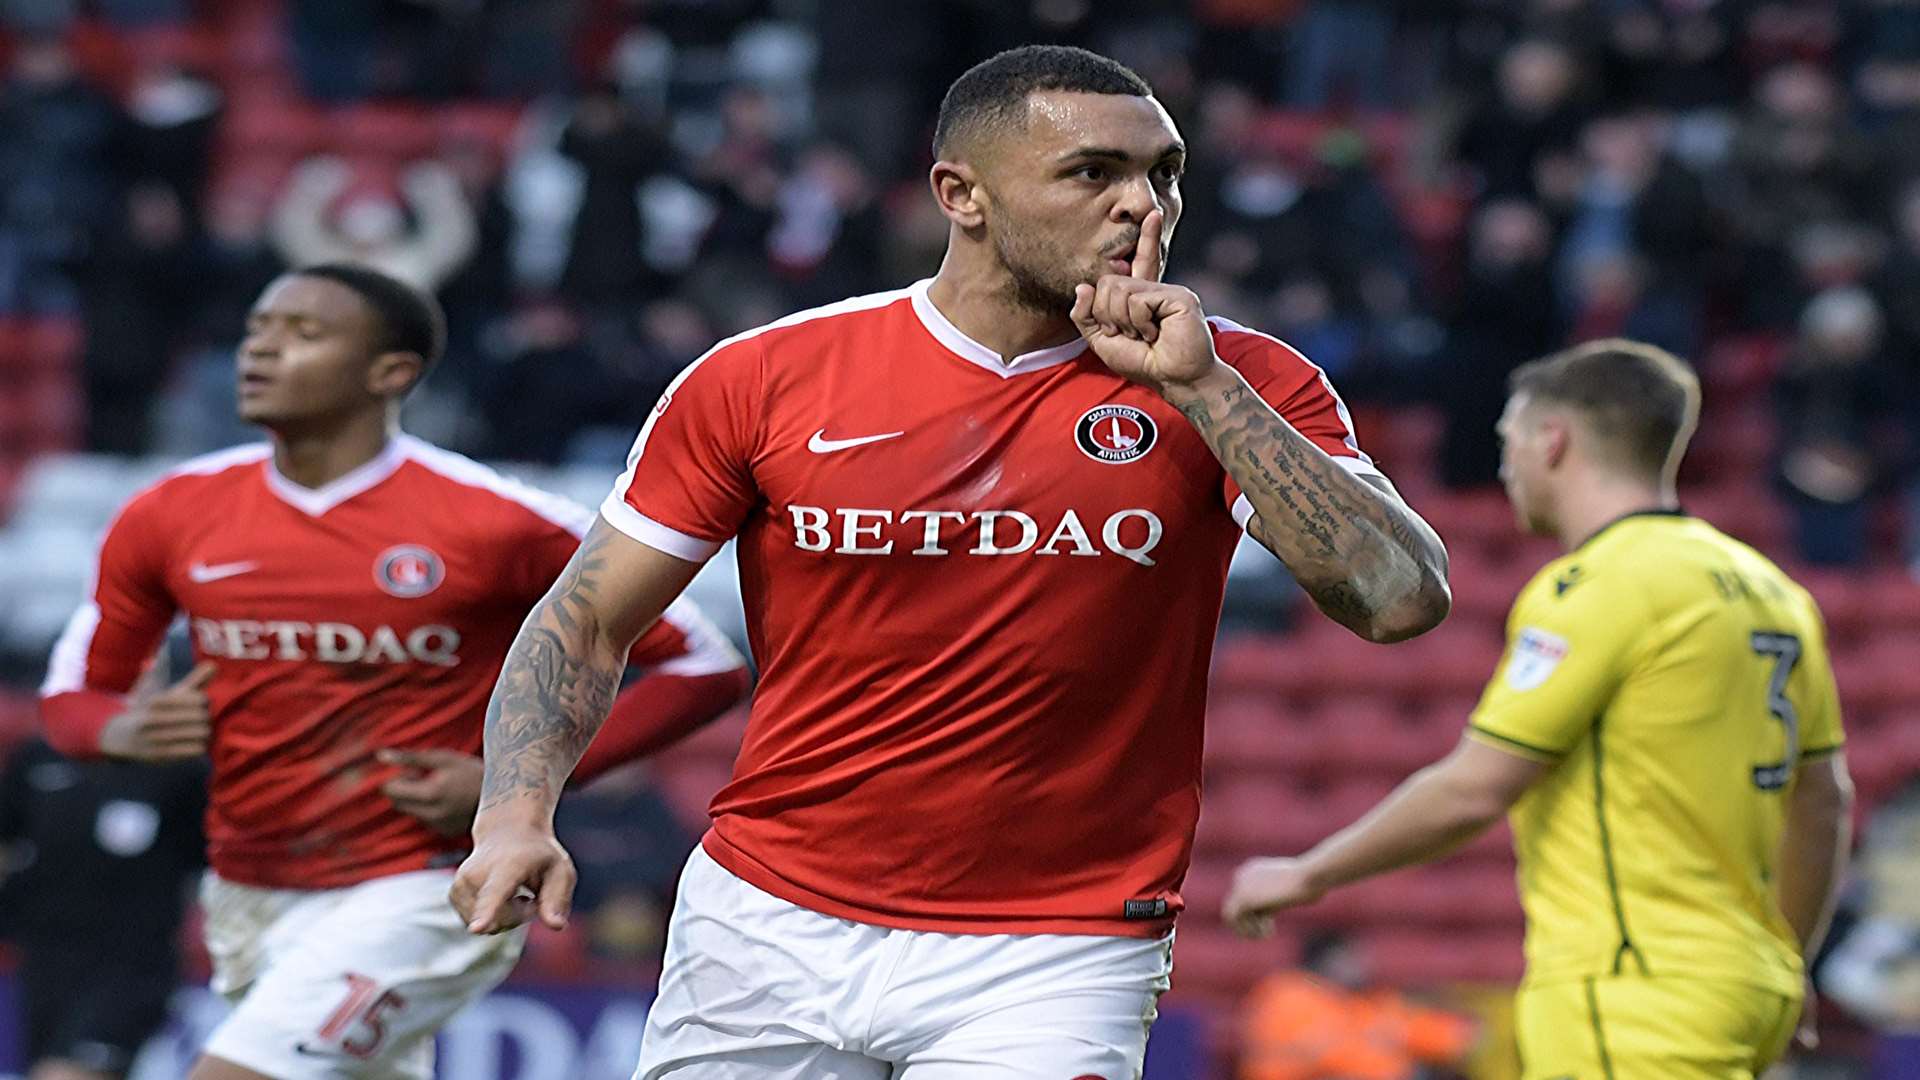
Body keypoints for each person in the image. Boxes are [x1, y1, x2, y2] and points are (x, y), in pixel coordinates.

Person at [452, 44, 1451, 1079]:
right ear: (960, 194)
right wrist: (514, 815)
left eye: (1164, 173)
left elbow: (1401, 601)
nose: (1142, 206)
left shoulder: (1237, 377)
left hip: (1057, 946)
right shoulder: (767, 377)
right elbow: (587, 619)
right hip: (766, 921)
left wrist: (1207, 395)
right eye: (1093, 172)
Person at [37, 262, 749, 1080]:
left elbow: (702, 666)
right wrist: (114, 729)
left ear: (392, 372)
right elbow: (73, 696)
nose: (260, 352)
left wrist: (512, 783)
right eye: (259, 331)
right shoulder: (171, 511)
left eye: (304, 334)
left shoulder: (495, 522)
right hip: (246, 887)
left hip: (425, 884)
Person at [1223, 339, 1855, 1079]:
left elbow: (1475, 787)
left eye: (1509, 440)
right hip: (1749, 980)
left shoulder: (1597, 586)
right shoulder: (1771, 590)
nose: (1504, 465)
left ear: (1553, 441)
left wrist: (1305, 874)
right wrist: (1787, 959)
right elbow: (1824, 802)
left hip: (1634, 986)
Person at [0, 729, 206, 1080]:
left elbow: (212, 859)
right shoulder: (40, 754)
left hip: (130, 969)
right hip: (43, 962)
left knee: (65, 1074)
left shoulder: (180, 767)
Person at [1238, 931, 1474, 1080]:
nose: (1363, 966)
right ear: (1330, 960)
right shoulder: (1289, 996)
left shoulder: (1347, 1000)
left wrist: (1456, 1039)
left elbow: (1405, 1028)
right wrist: (1394, 1069)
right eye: (1352, 959)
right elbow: (1325, 1053)